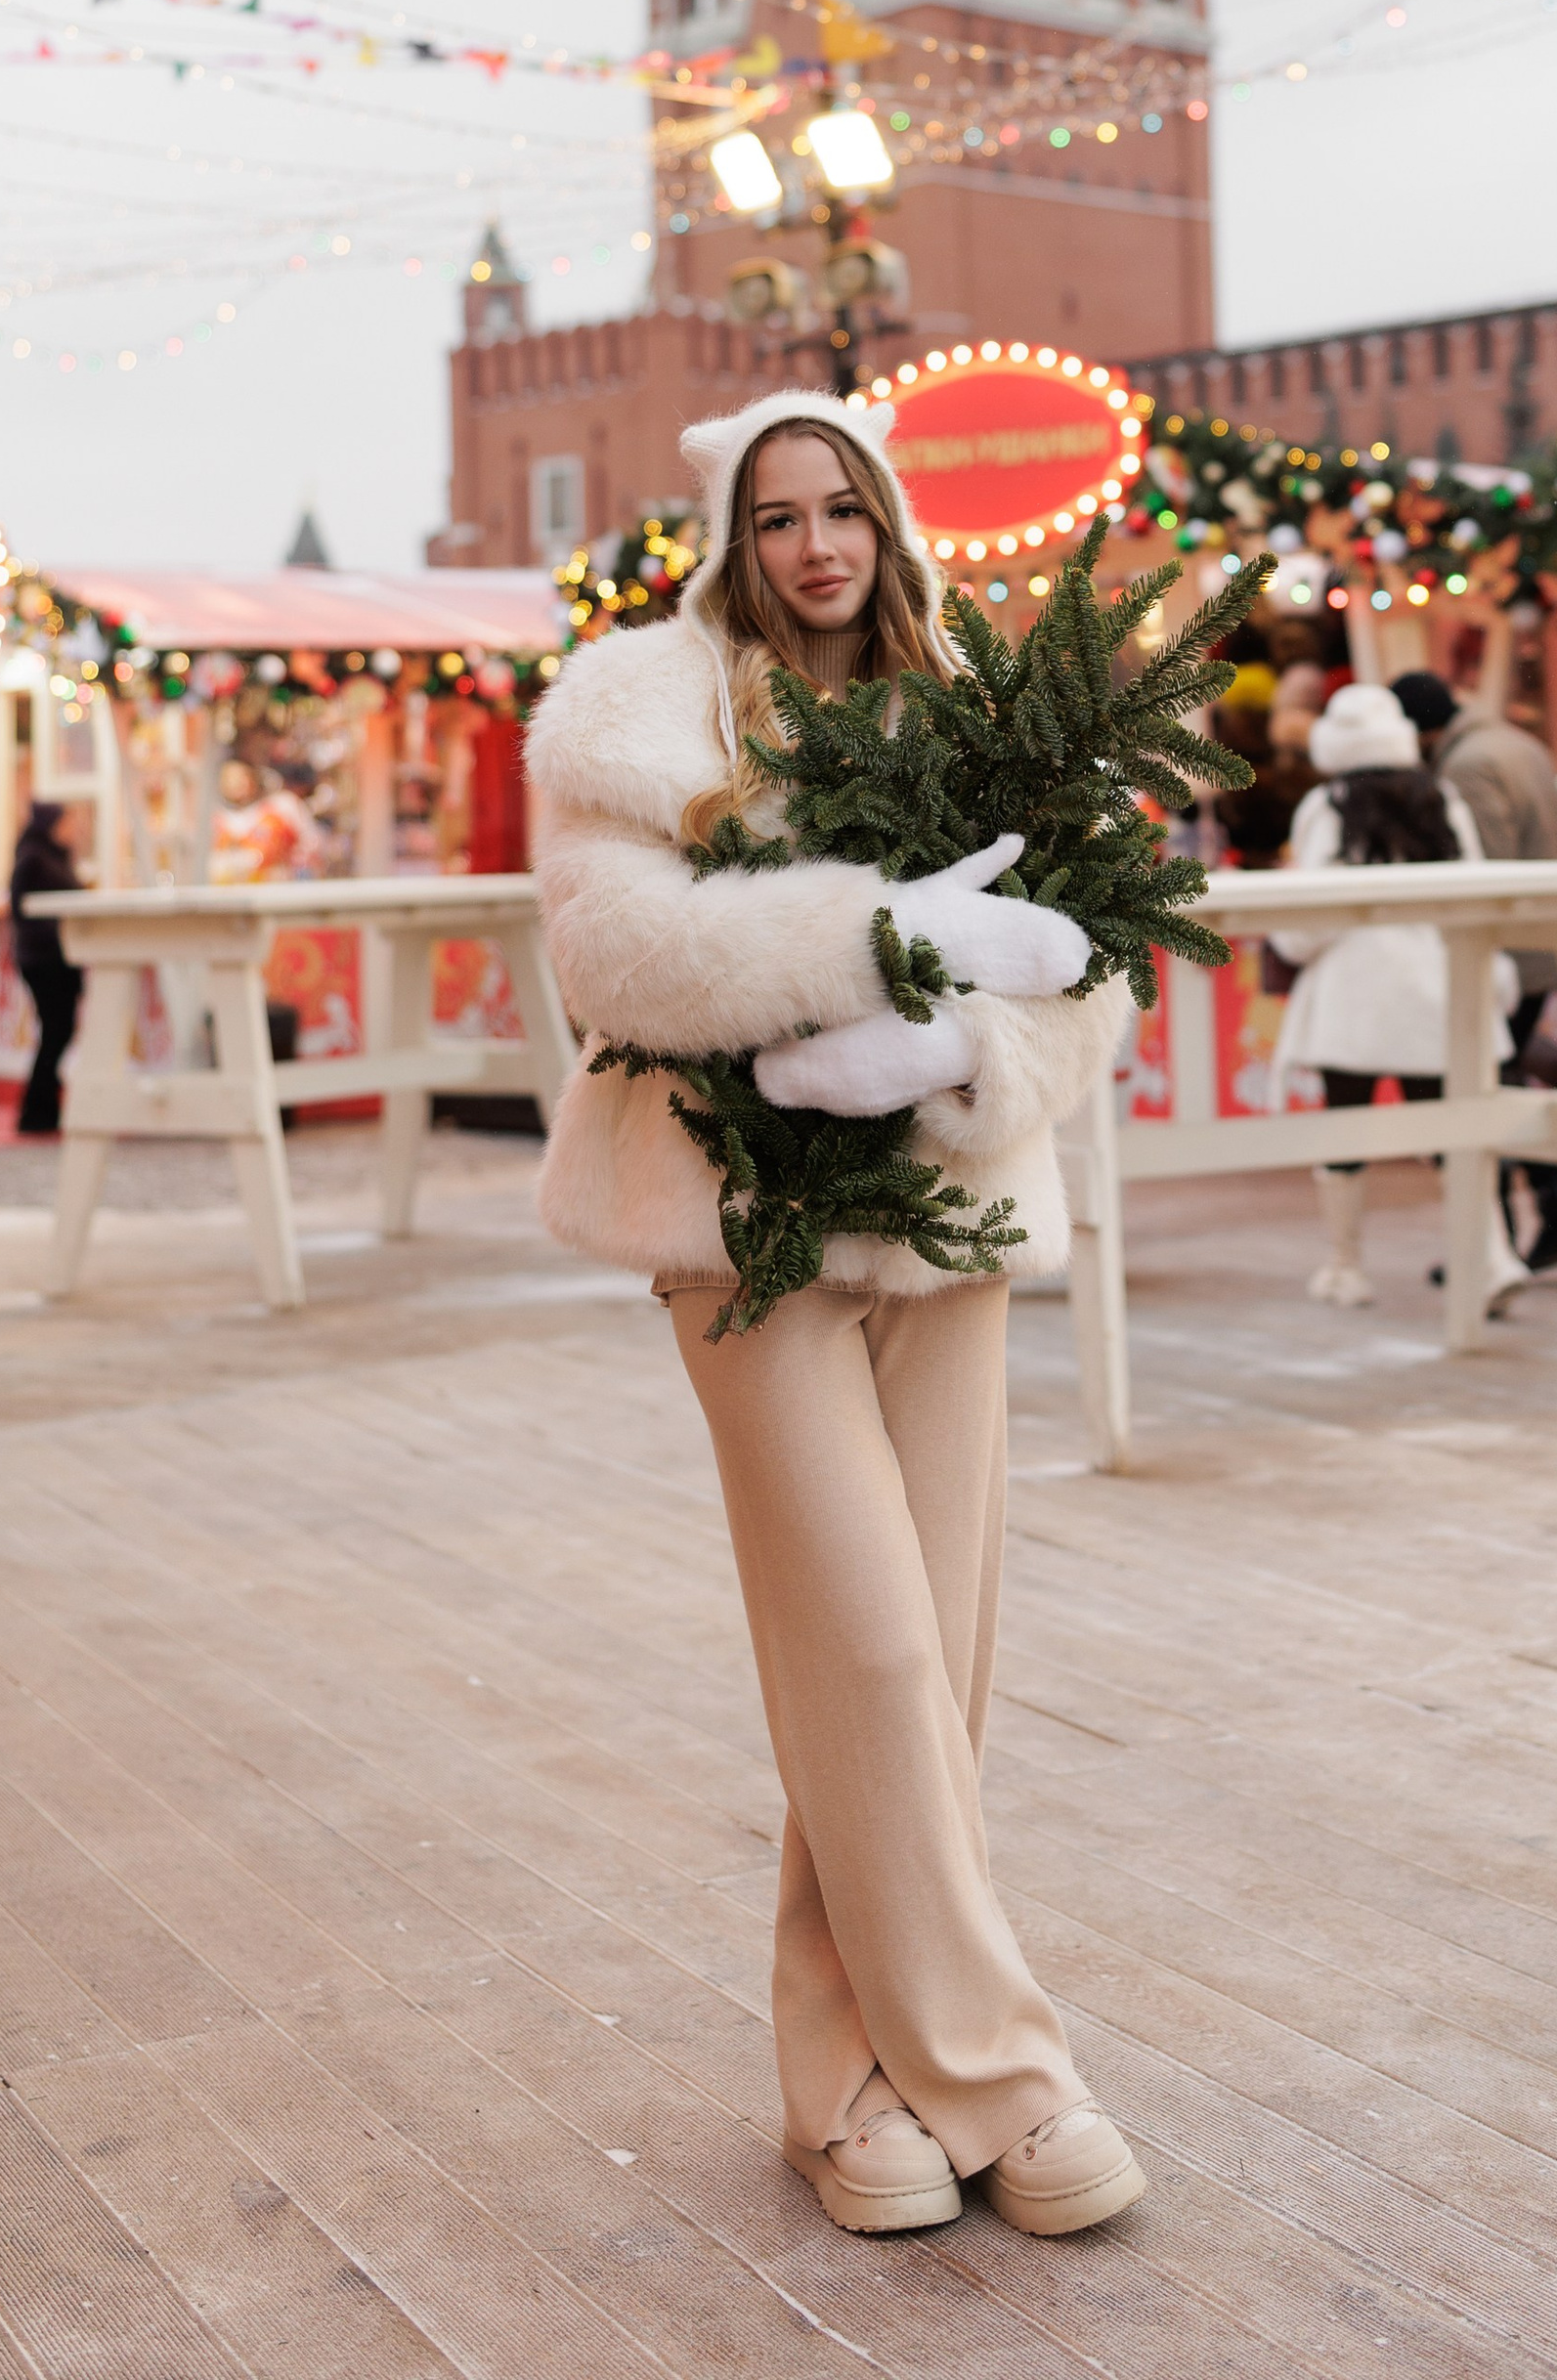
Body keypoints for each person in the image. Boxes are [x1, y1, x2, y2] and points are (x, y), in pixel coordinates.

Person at [528, 389, 1147, 2243]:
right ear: (731, 533)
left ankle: (846, 2082)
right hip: (745, 1228)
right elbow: (615, 949)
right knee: (868, 1648)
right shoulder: (644, 709)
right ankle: (1007, 2079)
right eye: (780, 515)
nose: (816, 547)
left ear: (887, 525)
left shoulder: (975, 706)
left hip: (945, 1218)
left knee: (918, 1673)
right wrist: (871, 939)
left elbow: (1089, 970)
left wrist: (962, 1042)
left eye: (846, 512)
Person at [1269, 684, 1527, 1313]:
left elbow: (1308, 921)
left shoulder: (1326, 806)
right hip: (1435, 987)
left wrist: (1293, 938)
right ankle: (1488, 1256)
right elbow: (1470, 894)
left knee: (1345, 1133)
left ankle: (1346, 1265)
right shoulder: (1442, 798)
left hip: (1353, 996)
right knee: (1449, 1129)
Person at [1409, 663, 1557, 1273]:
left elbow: (1484, 868)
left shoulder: (1467, 766)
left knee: (1483, 1085)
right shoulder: (1519, 743)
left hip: (1507, 953)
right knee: (1504, 1077)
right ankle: (1546, 1208)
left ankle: (1498, 1242)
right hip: (1543, 944)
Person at [8, 800, 83, 1138]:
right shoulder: (35, 859)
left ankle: (43, 1108)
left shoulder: (50, 857)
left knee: (57, 1032)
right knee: (56, 1031)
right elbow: (22, 911)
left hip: (55, 958)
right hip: (45, 959)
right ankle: (37, 1109)